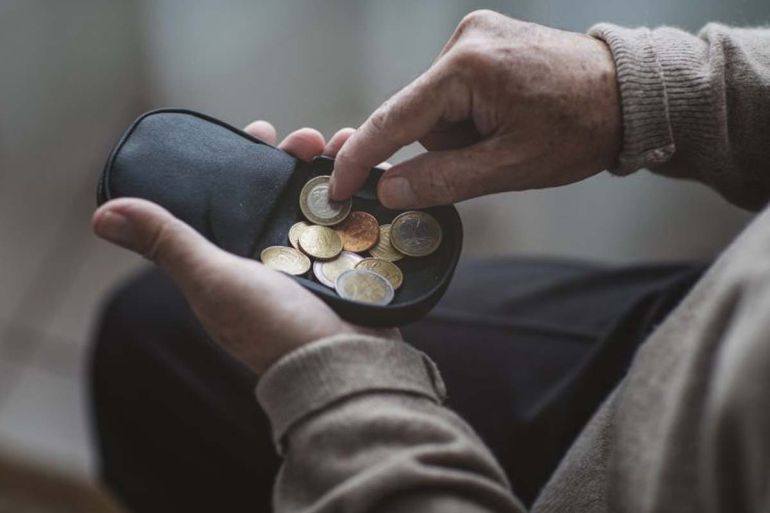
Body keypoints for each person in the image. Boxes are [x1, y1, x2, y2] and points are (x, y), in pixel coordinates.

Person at [90, 10, 770, 513]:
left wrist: (341, 385)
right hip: (706, 325)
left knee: (148, 349)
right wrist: (641, 88)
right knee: (151, 332)